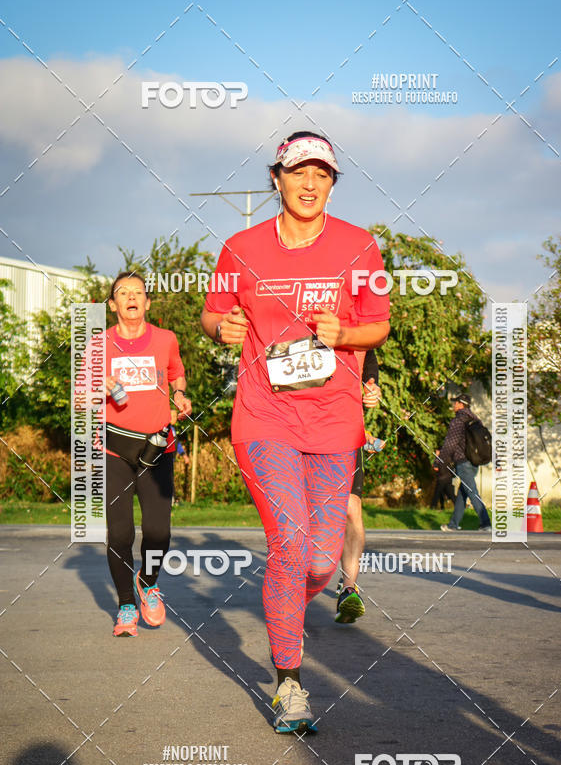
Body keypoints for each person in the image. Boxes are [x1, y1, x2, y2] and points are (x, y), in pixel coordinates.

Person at [201, 131, 390, 733]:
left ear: (332, 183)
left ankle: (284, 606)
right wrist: (221, 328)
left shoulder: (361, 249)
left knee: (317, 562)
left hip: (335, 419)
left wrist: (344, 335)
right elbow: (212, 311)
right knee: (288, 540)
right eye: (297, 172)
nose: (309, 184)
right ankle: (289, 681)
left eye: (322, 174)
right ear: (276, 179)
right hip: (265, 417)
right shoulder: (241, 246)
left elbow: (378, 327)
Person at [93, 272, 192, 636]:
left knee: (157, 532)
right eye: (123, 292)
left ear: (147, 303)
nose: (131, 297)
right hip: (114, 451)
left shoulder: (166, 340)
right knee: (119, 534)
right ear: (113, 304)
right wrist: (99, 387)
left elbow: (177, 375)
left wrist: (180, 396)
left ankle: (148, 581)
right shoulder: (98, 345)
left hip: (157, 449)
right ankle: (126, 607)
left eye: (138, 292)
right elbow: (82, 396)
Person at [335, 349, 382, 624]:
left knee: (352, 510)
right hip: (302, 430)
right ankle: (296, 590)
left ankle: (349, 589)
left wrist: (371, 385)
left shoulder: (360, 326)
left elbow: (369, 360)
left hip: (347, 430)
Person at [439, 393, 491, 532]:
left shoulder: (458, 421)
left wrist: (439, 461)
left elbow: (450, 444)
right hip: (474, 462)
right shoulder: (475, 419)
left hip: (463, 462)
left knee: (472, 492)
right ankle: (453, 524)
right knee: (463, 493)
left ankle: (486, 523)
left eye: (455, 402)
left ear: (461, 404)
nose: (454, 405)